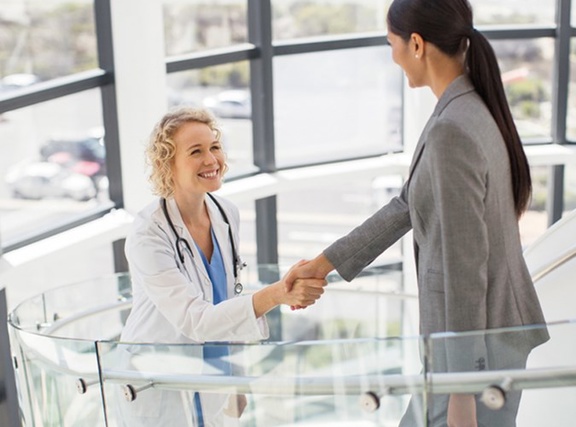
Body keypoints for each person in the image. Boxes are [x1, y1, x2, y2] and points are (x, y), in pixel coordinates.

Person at [285, 0, 549, 426]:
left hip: (473, 353)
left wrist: (459, 389)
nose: (392, 57)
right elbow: (408, 203)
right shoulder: (467, 106)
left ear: (417, 44)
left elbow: (465, 264)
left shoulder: (452, 128)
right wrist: (324, 264)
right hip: (484, 337)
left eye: (392, 45)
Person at [118, 107, 326, 426]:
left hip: (212, 380)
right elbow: (195, 319)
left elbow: (226, 300)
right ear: (166, 163)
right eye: (196, 151)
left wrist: (236, 379)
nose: (212, 160)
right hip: (158, 382)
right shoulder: (149, 233)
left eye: (214, 147)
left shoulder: (225, 214)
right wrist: (276, 295)